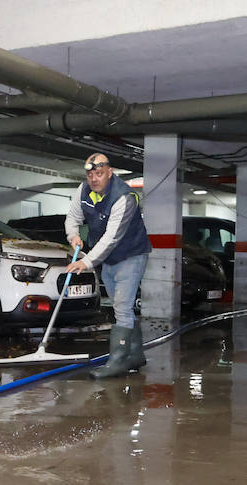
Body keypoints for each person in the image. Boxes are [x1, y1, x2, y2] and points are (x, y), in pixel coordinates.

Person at [66, 153, 152, 379]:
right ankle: (135, 354)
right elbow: (73, 216)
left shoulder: (124, 197)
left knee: (121, 307)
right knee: (119, 306)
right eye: (90, 174)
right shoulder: (83, 190)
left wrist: (86, 262)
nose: (94, 178)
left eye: (99, 173)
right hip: (109, 259)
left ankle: (117, 361)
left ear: (110, 172)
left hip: (131, 254)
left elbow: (112, 238)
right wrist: (73, 235)